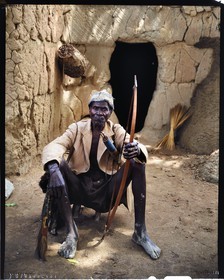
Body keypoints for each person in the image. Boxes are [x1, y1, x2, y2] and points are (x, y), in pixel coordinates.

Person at [42, 89, 161, 260]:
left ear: (110, 112)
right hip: (79, 190)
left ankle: (140, 232)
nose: (99, 113)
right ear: (89, 110)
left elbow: (131, 142)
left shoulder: (115, 130)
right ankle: (71, 232)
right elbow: (54, 146)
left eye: (104, 109)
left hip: (106, 194)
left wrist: (135, 148)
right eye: (95, 108)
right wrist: (53, 170)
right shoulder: (76, 129)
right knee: (57, 164)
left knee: (136, 162)